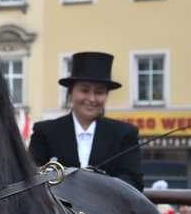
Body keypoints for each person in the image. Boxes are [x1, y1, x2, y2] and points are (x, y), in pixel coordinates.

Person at [28, 52, 144, 191]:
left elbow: (133, 180)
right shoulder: (45, 132)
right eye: (84, 90)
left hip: (106, 210)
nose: (91, 99)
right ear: (71, 92)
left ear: (106, 95)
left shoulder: (125, 134)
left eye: (99, 92)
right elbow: (31, 177)